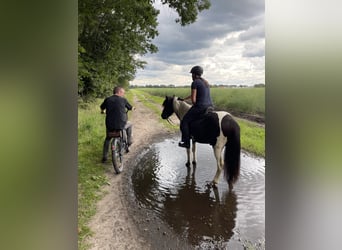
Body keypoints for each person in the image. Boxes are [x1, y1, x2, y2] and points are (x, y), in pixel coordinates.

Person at [178, 66, 213, 148]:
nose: (191, 76)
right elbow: (193, 95)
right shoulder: (205, 82)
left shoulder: (195, 83)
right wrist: (184, 99)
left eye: (192, 74)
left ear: (194, 74)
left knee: (184, 121)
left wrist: (194, 105)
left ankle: (186, 142)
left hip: (200, 107)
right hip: (210, 106)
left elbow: (194, 100)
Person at [100, 86, 134, 163]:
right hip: (121, 124)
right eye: (123, 93)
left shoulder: (107, 99)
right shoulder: (123, 100)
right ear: (119, 92)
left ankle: (104, 157)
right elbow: (130, 107)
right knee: (130, 124)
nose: (123, 94)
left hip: (110, 125)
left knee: (108, 139)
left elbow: (102, 107)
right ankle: (128, 142)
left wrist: (103, 111)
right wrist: (133, 108)